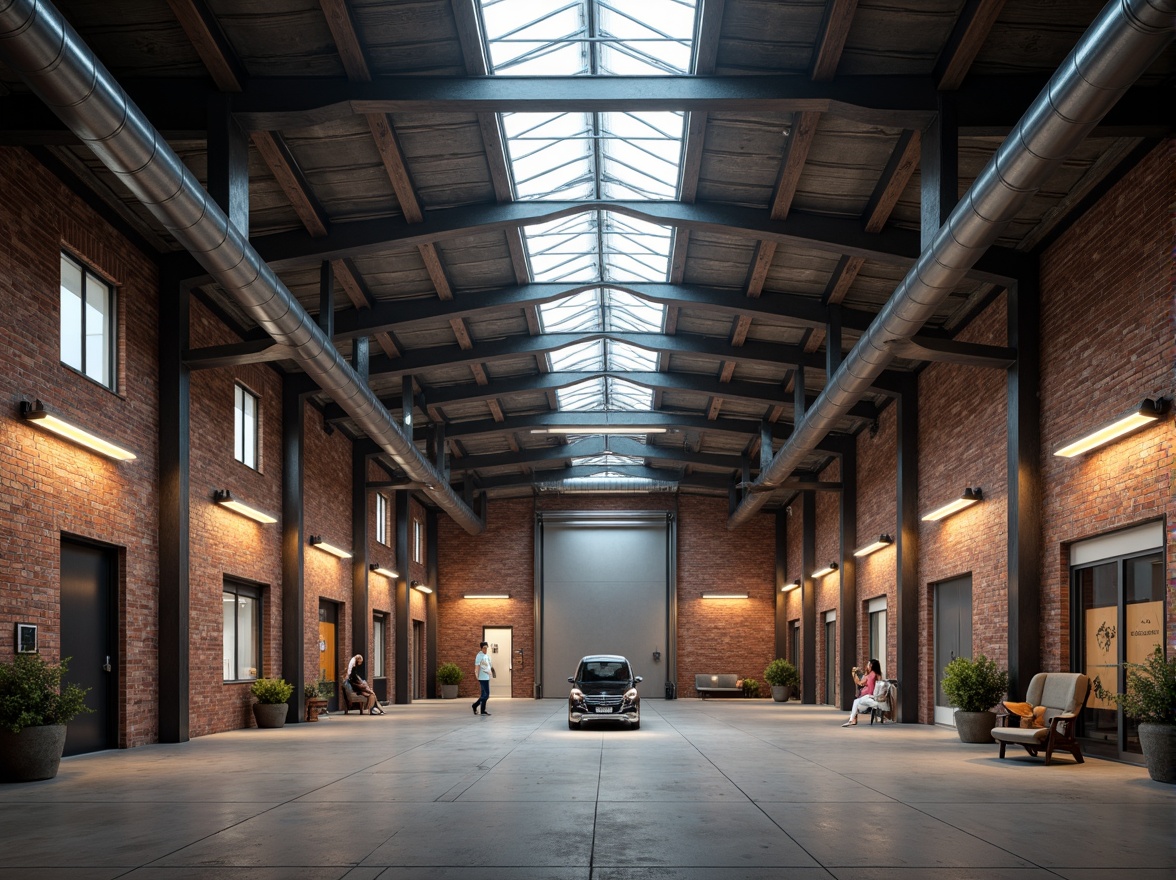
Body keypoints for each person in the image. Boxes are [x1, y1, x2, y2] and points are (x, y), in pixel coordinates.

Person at [842, 658, 884, 727]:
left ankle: (852, 720)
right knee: (856, 702)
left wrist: (854, 674)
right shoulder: (876, 674)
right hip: (870, 696)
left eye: (868, 664)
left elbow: (860, 683)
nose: (867, 665)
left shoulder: (871, 675)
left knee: (856, 701)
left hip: (869, 696)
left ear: (871, 665)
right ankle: (851, 720)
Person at [472, 640, 493, 716]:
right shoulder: (479, 656)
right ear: (481, 648)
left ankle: (482, 710)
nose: (485, 649)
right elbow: (477, 666)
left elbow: (489, 666)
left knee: (483, 694)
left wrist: (490, 673)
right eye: (484, 648)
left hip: (486, 677)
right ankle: (475, 705)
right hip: (482, 678)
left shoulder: (487, 656)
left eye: (486, 648)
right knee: (486, 694)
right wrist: (476, 674)